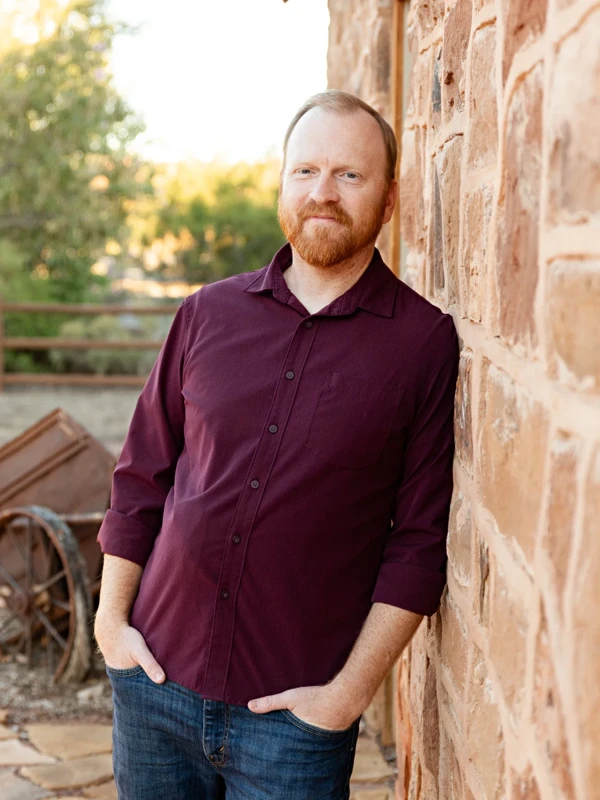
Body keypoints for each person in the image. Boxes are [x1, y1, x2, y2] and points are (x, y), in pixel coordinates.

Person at [94, 89, 459, 800]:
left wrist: (346, 698)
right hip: (154, 690)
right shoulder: (205, 314)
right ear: (283, 185)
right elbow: (141, 479)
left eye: (349, 176)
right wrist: (113, 628)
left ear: (387, 200)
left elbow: (418, 543)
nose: (323, 192)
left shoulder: (421, 343)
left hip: (296, 725)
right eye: (306, 171)